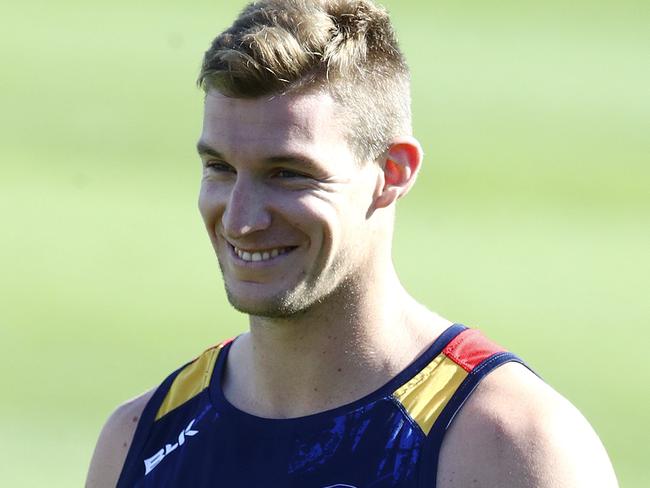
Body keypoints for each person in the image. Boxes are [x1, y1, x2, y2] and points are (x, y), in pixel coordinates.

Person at [86, 0, 618, 486]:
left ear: (391, 172)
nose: (241, 220)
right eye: (220, 168)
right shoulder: (140, 437)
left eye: (289, 173)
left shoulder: (510, 447)